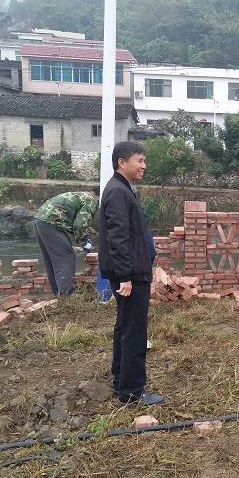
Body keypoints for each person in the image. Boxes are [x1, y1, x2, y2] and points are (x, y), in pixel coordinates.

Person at [98, 141, 164, 406]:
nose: (144, 166)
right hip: (130, 275)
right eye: (139, 160)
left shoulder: (122, 189)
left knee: (125, 326)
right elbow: (117, 236)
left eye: (145, 161)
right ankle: (132, 391)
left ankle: (121, 379)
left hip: (133, 271)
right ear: (121, 162)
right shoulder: (118, 192)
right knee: (134, 330)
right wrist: (125, 275)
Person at [34, 191, 98, 295]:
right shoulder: (92, 200)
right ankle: (65, 298)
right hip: (52, 221)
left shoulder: (81, 195)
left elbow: (75, 220)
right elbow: (80, 224)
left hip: (40, 218)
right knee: (66, 257)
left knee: (51, 259)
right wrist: (85, 243)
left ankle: (57, 294)